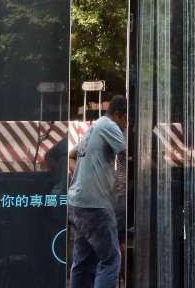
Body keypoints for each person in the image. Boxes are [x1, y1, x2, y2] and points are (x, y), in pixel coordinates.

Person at [68, 95, 128, 288]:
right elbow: (129, 156)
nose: (126, 126)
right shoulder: (110, 126)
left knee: (83, 263)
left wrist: (87, 177)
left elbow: (71, 155)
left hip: (78, 204)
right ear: (117, 114)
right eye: (126, 120)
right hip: (96, 206)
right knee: (111, 259)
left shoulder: (94, 127)